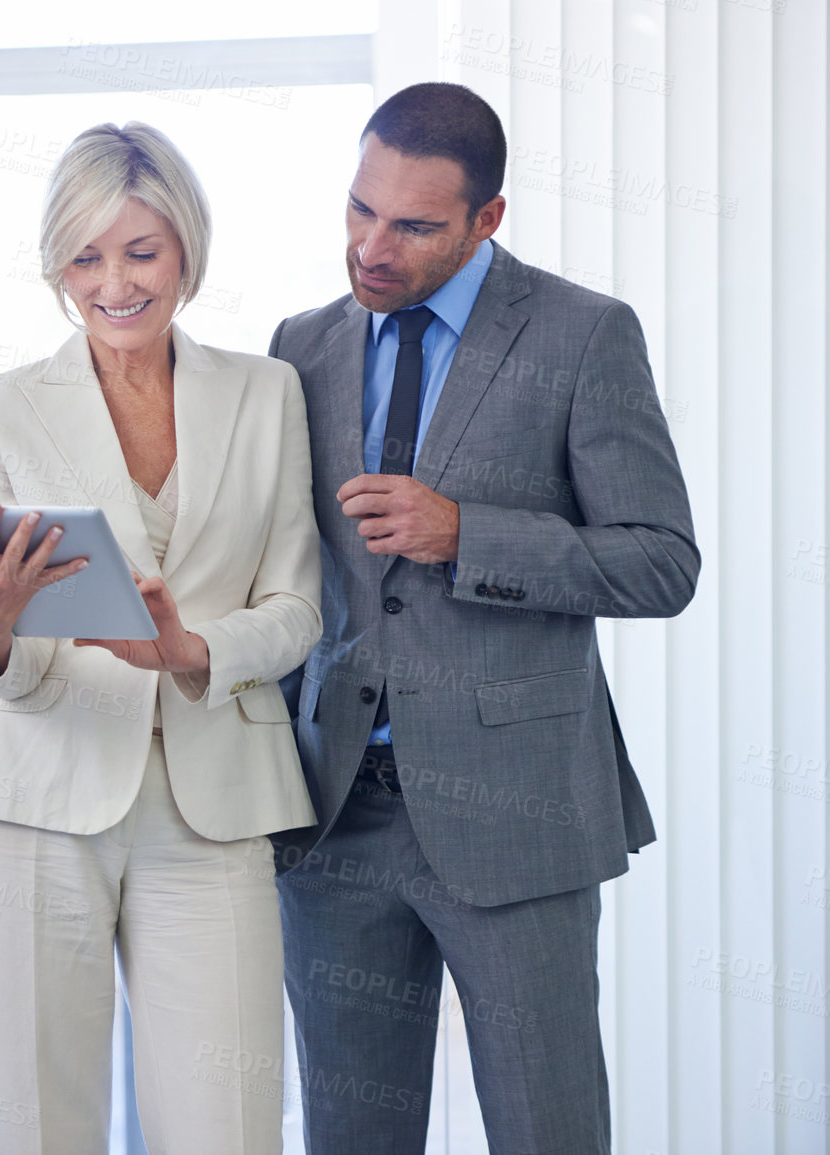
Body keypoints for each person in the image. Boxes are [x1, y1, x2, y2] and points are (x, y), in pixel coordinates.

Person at [269, 83, 699, 1154]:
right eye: (361, 209)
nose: (373, 245)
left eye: (412, 226)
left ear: (486, 221)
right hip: (335, 821)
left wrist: (469, 534)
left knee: (546, 1130)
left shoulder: (583, 334)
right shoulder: (302, 343)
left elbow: (661, 563)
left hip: (519, 819)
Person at [0, 122, 322, 1153]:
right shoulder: (2, 407)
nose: (114, 282)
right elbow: (8, 671)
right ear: (59, 267)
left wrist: (191, 650)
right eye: (86, 257)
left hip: (211, 806)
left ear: (186, 252)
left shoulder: (264, 392)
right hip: (32, 801)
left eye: (140, 251)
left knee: (227, 1126)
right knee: (34, 1129)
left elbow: (297, 607)